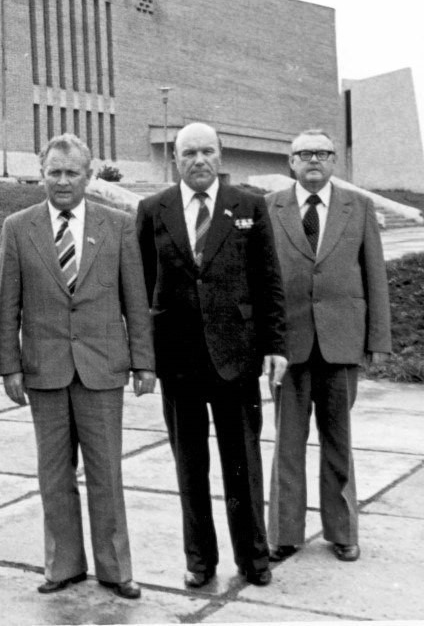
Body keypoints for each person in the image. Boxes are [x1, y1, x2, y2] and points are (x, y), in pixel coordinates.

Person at [0, 133, 155, 600]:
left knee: (107, 472)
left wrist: (144, 362)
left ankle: (115, 569)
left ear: (89, 176)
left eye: (72, 173)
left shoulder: (118, 225)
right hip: (43, 370)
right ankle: (63, 565)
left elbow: (135, 300)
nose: (63, 181)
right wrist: (10, 366)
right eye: (55, 172)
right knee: (54, 475)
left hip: (102, 369)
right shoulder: (18, 227)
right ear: (41, 174)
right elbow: (8, 305)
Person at [136, 121, 288, 589]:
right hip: (178, 360)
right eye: (189, 153)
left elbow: (268, 280)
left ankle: (253, 559)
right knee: (190, 467)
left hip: (235, 358)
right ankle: (200, 560)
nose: (199, 160)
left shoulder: (248, 207)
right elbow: (141, 286)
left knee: (242, 465)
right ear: (175, 159)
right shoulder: (153, 209)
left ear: (220, 156)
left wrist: (275, 346)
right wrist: (144, 355)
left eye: (207, 151)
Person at [266, 129, 391, 563]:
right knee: (288, 442)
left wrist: (377, 339)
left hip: (342, 343)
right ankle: (284, 533)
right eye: (305, 154)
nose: (314, 160)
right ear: (291, 162)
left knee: (338, 441)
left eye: (322, 153)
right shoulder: (271, 207)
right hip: (288, 347)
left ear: (334, 161)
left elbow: (374, 275)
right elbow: (260, 278)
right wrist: (264, 343)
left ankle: (343, 531)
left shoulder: (359, 206)